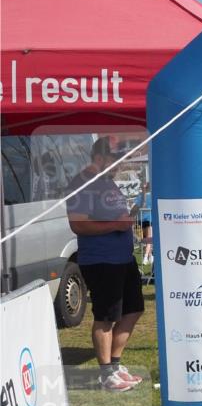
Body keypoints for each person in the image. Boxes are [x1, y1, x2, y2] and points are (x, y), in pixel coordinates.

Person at [66, 138, 145, 392]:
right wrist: (114, 225)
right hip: (101, 260)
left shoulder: (107, 181)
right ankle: (106, 374)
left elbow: (116, 216)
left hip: (123, 257)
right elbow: (77, 224)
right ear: (99, 158)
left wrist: (131, 213)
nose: (119, 166)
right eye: (115, 161)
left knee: (133, 310)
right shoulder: (82, 183)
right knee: (106, 317)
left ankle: (115, 364)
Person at [133, 181, 154, 266]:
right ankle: (146, 257)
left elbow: (136, 207)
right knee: (148, 240)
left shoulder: (140, 196)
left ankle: (149, 256)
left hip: (141, 220)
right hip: (148, 220)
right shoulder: (152, 196)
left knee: (146, 240)